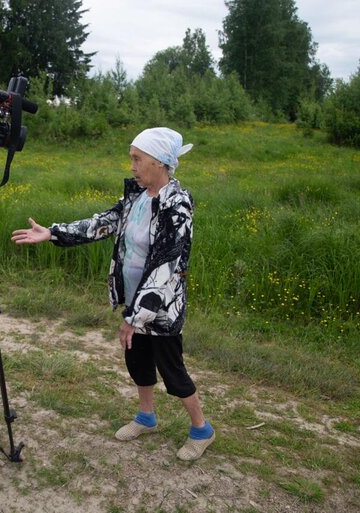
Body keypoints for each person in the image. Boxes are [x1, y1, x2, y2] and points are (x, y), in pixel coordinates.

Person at [11, 127, 214, 461]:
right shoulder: (136, 195)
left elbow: (166, 267)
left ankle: (201, 429)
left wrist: (134, 318)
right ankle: (146, 418)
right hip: (135, 300)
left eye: (137, 159)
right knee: (137, 361)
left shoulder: (177, 206)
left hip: (160, 307)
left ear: (160, 161)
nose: (131, 165)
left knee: (172, 370)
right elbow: (104, 222)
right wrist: (53, 233)